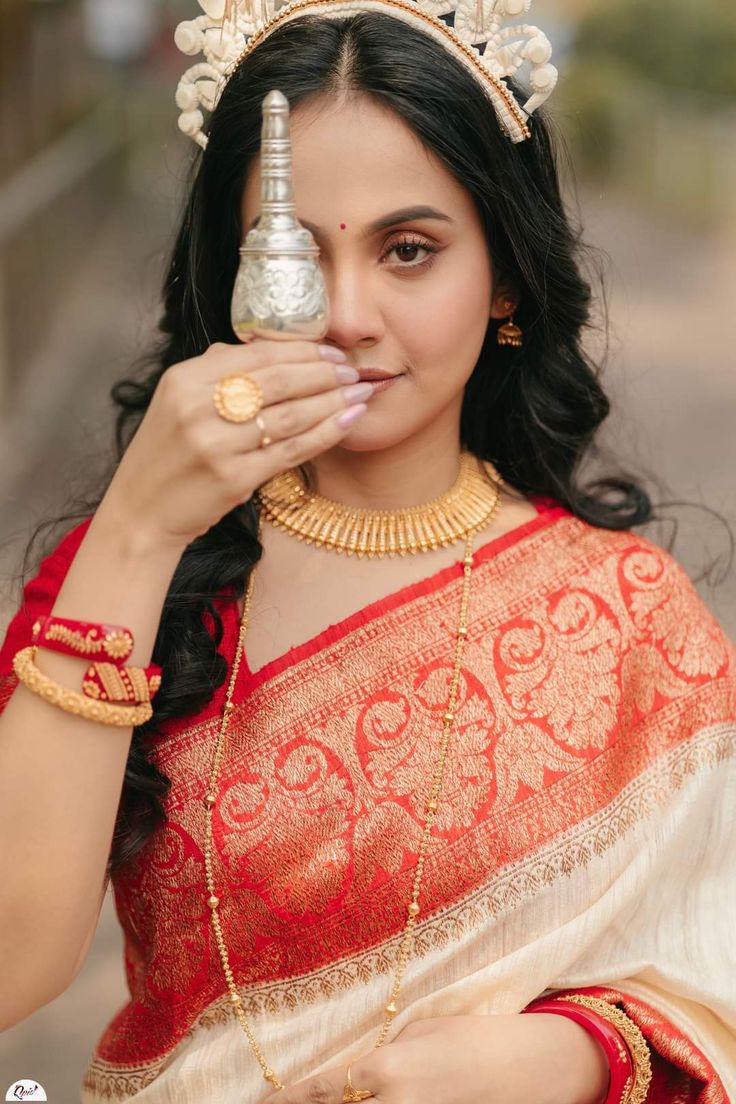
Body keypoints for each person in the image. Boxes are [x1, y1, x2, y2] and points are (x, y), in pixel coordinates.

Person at [0, 0, 734, 1101]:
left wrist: (576, 1055)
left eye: (408, 251)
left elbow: (708, 969)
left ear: (503, 283)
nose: (344, 315)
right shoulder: (132, 579)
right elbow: (14, 966)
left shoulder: (626, 612)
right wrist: (141, 528)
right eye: (286, 251)